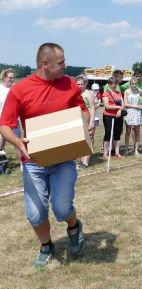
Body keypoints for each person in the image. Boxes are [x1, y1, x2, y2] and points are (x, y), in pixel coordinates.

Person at [0, 43, 93, 267]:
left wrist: (87, 123)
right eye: (61, 63)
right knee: (35, 215)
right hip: (33, 162)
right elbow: (4, 125)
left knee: (62, 209)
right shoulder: (20, 90)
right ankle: (46, 246)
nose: (65, 66)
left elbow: (82, 108)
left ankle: (73, 226)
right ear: (45, 64)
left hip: (63, 159)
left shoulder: (69, 84)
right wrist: (16, 141)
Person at [121, 69, 142, 150]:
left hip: (141, 109)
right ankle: (132, 147)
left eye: (140, 76)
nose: (138, 78)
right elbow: (120, 89)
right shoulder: (127, 88)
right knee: (131, 130)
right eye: (137, 76)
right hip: (130, 111)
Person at [102, 76, 125, 160]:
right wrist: (118, 108)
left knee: (117, 134)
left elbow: (123, 104)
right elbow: (107, 106)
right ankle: (105, 153)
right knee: (108, 133)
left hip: (118, 116)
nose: (114, 85)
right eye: (112, 84)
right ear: (109, 84)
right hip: (108, 116)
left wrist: (120, 110)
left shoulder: (119, 93)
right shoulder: (106, 93)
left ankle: (117, 152)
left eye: (115, 84)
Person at [75, 75, 96, 169]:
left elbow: (92, 108)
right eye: (78, 84)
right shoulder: (75, 94)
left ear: (85, 84)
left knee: (88, 140)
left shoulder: (88, 94)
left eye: (81, 84)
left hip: (88, 119)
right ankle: (79, 161)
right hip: (78, 120)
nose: (80, 86)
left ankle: (85, 162)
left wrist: (91, 122)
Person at [123, 77, 142, 156]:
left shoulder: (138, 90)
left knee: (137, 132)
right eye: (132, 84)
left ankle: (136, 150)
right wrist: (136, 106)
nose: (134, 85)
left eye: (135, 84)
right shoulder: (126, 91)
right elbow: (125, 104)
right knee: (128, 132)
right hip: (129, 113)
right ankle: (126, 149)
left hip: (137, 113)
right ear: (130, 84)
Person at [0, 68, 16, 155]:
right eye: (10, 78)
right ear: (4, 78)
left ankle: (23, 163)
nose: (12, 79)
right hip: (1, 118)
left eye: (13, 78)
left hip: (13, 119)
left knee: (17, 142)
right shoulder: (0, 89)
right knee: (1, 139)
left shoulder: (15, 88)